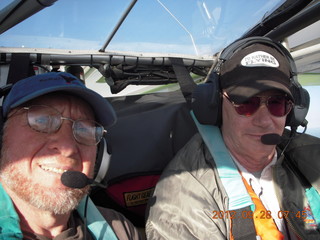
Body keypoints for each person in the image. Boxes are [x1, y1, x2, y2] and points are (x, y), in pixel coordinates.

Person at [146, 37, 320, 239]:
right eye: (246, 103)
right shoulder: (181, 198)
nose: (264, 121)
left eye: (277, 103)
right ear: (215, 105)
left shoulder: (310, 157)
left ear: (293, 110)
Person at [0, 72, 142, 239]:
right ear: (2, 137)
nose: (68, 148)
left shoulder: (118, 229)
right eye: (42, 121)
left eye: (84, 130)